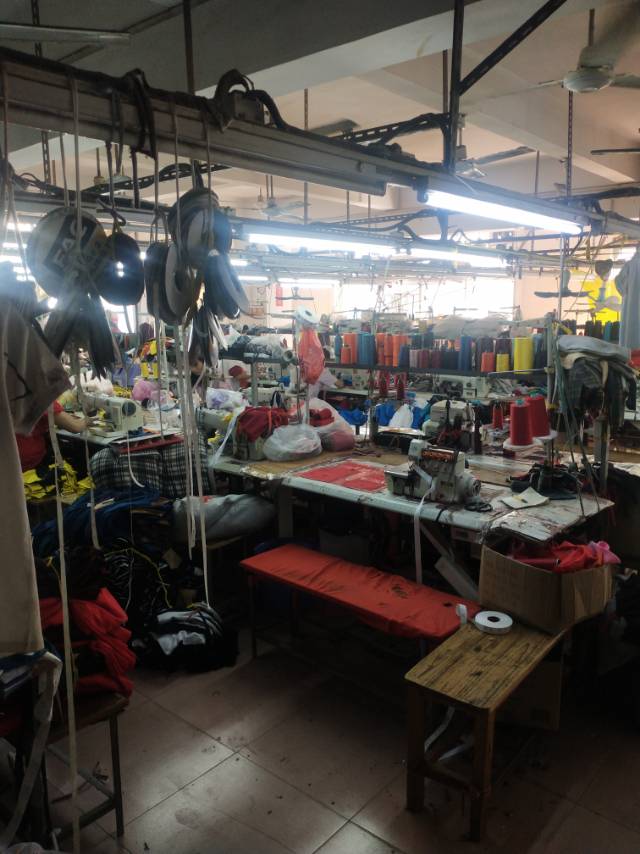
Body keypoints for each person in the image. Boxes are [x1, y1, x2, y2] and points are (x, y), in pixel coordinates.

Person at [16, 402, 92, 472]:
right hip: (29, 460)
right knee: (82, 451)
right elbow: (76, 427)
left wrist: (63, 419)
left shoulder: (16, 395)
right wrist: (87, 420)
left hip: (13, 456)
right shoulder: (43, 398)